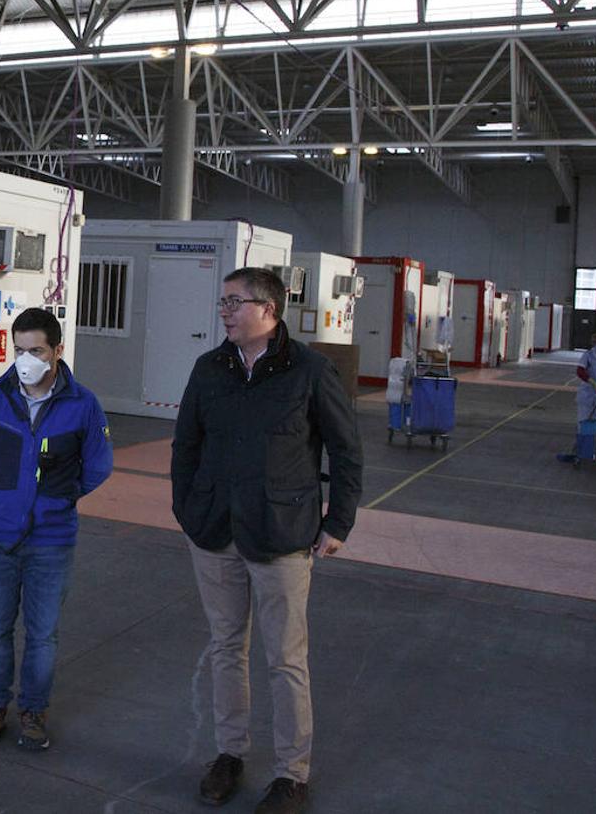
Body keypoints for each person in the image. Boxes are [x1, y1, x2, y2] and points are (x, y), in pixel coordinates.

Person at [171, 268, 363, 814]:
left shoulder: (310, 371)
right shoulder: (209, 369)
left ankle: (291, 775)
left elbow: (346, 452)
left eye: (235, 302)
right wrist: (187, 508)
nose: (225, 311)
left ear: (269, 308)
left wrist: (338, 522)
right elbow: (186, 446)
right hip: (213, 533)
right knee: (227, 647)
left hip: (282, 535)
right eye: (223, 302)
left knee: (285, 658)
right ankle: (230, 753)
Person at [0, 307, 113, 752]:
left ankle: (33, 712)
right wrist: (0, 490)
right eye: (19, 350)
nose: (26, 360)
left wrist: (61, 496)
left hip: (52, 540)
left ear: (57, 351)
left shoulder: (83, 405)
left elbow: (99, 465)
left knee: (43, 634)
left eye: (36, 351)